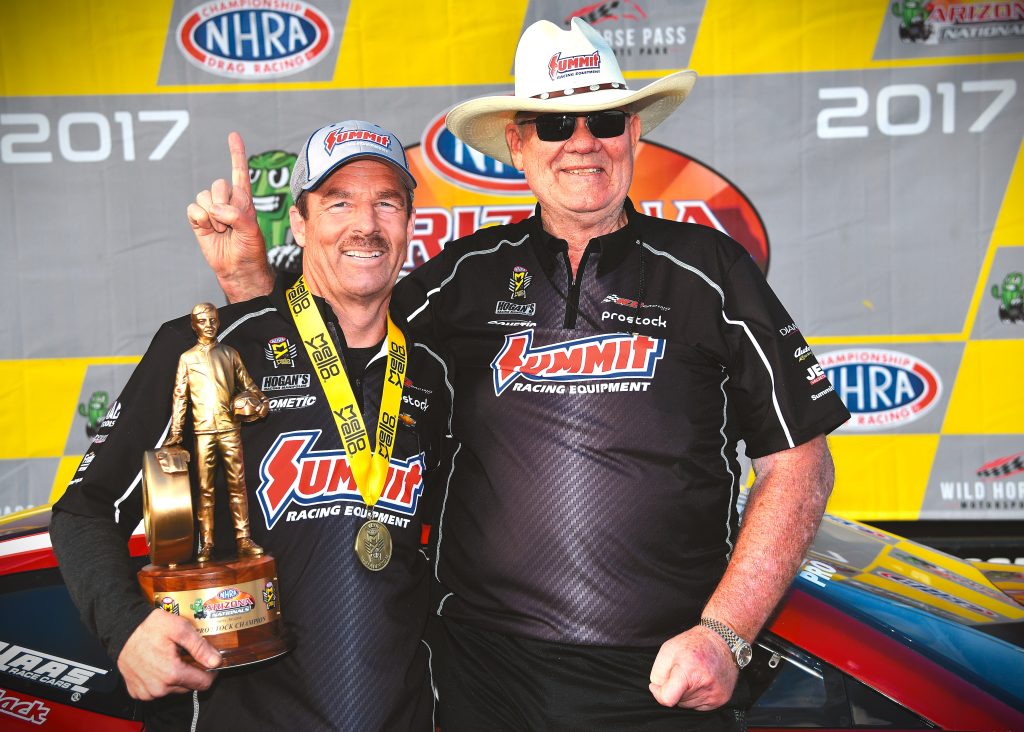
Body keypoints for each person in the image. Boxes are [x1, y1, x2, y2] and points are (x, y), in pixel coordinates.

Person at [203, 18, 850, 731]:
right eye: (553, 123)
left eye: (603, 118)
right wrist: (248, 280)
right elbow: (322, 372)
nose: (581, 142)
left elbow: (799, 465)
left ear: (633, 132)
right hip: (481, 680)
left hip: (665, 678)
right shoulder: (461, 280)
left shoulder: (710, 272)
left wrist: (726, 634)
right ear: (517, 143)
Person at [50, 121, 448, 730]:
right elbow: (86, 509)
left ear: (409, 224)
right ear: (299, 225)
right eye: (338, 202)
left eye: (386, 202)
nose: (365, 224)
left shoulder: (431, 372)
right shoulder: (212, 347)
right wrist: (127, 629)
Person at [165, 302, 268, 562]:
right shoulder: (187, 358)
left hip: (230, 429)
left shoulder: (230, 354)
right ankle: (207, 543)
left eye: (212, 320)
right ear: (194, 325)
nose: (209, 325)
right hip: (203, 433)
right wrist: (176, 434)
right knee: (205, 489)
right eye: (203, 320)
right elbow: (180, 398)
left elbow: (249, 384)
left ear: (218, 322)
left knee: (238, 486)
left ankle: (243, 539)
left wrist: (261, 404)